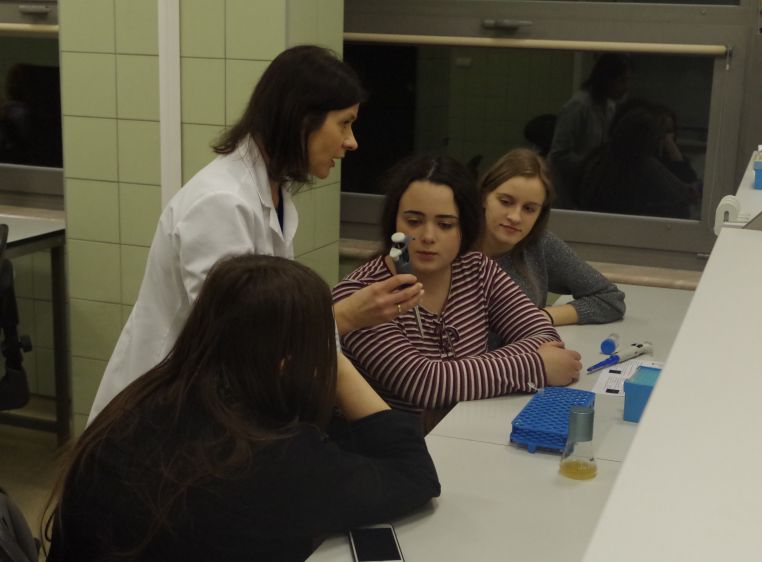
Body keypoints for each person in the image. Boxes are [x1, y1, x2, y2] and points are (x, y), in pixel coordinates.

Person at [89, 45, 423, 421]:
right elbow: (240, 337)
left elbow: (268, 318)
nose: (352, 141)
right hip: (161, 408)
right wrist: (344, 316)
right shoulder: (221, 203)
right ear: (302, 119)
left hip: (211, 399)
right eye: (344, 123)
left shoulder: (271, 193)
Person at [45, 255, 440, 562]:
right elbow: (414, 474)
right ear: (286, 363)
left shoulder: (143, 401)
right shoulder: (274, 457)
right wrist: (335, 359)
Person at [332, 155, 582, 428]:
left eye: (445, 225)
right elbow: (423, 383)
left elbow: (543, 335)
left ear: (465, 227)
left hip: (469, 429)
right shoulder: (361, 295)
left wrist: (460, 377)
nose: (428, 237)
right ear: (394, 224)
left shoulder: (476, 268)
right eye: (414, 221)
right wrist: (536, 366)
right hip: (399, 447)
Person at [477, 148, 625, 326]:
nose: (515, 217)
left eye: (529, 209)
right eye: (506, 202)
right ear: (484, 197)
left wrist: (541, 317)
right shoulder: (452, 244)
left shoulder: (539, 244)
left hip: (530, 343)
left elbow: (610, 299)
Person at [577, 102, 695, 219]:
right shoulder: (643, 164)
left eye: (669, 132)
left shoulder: (601, 155)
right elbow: (687, 195)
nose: (664, 138)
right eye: (661, 132)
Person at [548, 53, 632, 208]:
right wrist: (590, 165)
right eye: (622, 80)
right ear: (607, 79)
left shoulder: (609, 107)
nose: (626, 87)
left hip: (587, 186)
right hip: (564, 187)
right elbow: (559, 154)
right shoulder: (578, 107)